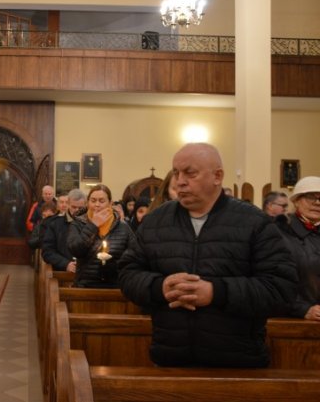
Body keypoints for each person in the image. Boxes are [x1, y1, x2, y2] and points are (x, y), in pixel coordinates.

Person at [118, 143, 298, 368]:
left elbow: (281, 288)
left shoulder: (253, 222)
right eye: (176, 173)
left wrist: (217, 292)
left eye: (190, 173)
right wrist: (159, 287)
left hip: (239, 363)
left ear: (217, 176)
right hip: (170, 360)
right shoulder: (156, 221)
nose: (180, 181)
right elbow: (127, 274)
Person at [67, 184, 135, 288]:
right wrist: (93, 225)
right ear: (88, 203)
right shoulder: (78, 224)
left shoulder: (123, 227)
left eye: (102, 201)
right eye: (93, 201)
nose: (97, 205)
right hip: (85, 285)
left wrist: (114, 265)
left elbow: (134, 255)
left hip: (115, 286)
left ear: (110, 203)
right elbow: (75, 250)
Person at [275, 177, 320, 320]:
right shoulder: (279, 232)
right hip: (292, 319)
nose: (317, 203)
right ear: (296, 201)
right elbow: (271, 281)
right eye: (310, 197)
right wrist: (302, 309)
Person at [42, 188, 86, 272]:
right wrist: (66, 264)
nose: (77, 210)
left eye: (80, 208)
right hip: (62, 271)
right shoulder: (55, 224)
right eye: (74, 207)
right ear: (68, 204)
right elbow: (47, 252)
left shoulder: (90, 224)